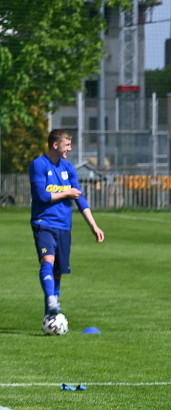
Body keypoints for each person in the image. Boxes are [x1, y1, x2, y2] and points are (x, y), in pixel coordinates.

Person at [29, 130, 105, 319]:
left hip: (64, 226)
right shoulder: (38, 165)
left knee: (58, 273)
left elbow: (80, 199)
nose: (70, 149)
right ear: (56, 145)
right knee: (47, 261)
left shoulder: (68, 168)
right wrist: (67, 193)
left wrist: (93, 226)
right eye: (67, 145)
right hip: (43, 222)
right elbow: (43, 196)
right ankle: (52, 301)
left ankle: (51, 317)